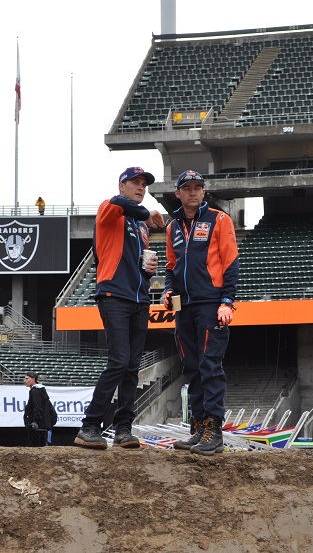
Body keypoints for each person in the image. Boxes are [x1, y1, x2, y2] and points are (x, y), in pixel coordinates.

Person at [74, 167, 164, 450]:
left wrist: (148, 269)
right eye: (134, 183)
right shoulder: (109, 208)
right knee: (119, 361)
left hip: (139, 298)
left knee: (132, 367)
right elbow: (120, 204)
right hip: (114, 295)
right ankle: (90, 426)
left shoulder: (141, 227)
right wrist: (148, 213)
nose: (140, 187)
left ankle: (124, 430)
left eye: (144, 184)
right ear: (121, 186)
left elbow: (134, 263)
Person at [163, 170, 240, 456]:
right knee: (192, 368)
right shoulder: (172, 226)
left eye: (198, 187)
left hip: (211, 304)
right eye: (187, 188)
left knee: (210, 366)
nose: (193, 192)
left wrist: (227, 301)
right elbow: (171, 266)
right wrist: (168, 290)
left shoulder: (219, 219)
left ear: (204, 192)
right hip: (183, 307)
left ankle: (214, 431)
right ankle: (198, 428)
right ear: (178, 193)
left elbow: (231, 262)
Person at [24, 372, 54, 447]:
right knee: (43, 447)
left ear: (33, 379)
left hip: (36, 427)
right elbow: (52, 411)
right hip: (44, 427)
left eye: (27, 379)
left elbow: (36, 407)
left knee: (35, 448)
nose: (25, 381)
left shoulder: (34, 391)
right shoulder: (42, 391)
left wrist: (35, 421)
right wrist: (48, 424)